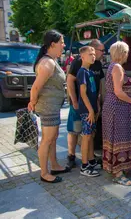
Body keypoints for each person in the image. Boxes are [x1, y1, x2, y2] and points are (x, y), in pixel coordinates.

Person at [28, 30, 69, 183]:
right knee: (47, 139)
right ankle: (44, 173)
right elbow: (35, 87)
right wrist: (32, 102)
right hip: (48, 107)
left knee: (53, 138)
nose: (63, 45)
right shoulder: (48, 63)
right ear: (52, 44)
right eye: (61, 42)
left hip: (53, 106)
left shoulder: (51, 60)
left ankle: (55, 165)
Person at [102, 41, 131, 186]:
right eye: (127, 52)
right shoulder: (117, 67)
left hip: (114, 106)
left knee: (113, 138)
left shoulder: (113, 66)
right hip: (117, 107)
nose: (128, 54)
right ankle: (118, 174)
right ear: (122, 53)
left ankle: (116, 168)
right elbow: (118, 91)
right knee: (118, 139)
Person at [66, 39, 105, 169]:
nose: (103, 53)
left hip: (92, 106)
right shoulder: (79, 63)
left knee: (89, 134)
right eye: (101, 50)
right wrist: (75, 101)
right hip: (80, 105)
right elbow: (70, 80)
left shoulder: (97, 64)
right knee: (75, 130)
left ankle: (91, 158)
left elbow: (99, 83)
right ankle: (72, 156)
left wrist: (98, 102)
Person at [76, 46, 100, 177]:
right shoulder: (82, 72)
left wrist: (96, 107)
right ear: (82, 57)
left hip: (92, 109)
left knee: (91, 136)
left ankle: (91, 161)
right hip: (86, 110)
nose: (93, 56)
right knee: (86, 137)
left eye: (94, 54)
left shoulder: (90, 72)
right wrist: (90, 110)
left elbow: (94, 92)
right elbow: (83, 94)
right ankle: (84, 166)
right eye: (90, 54)